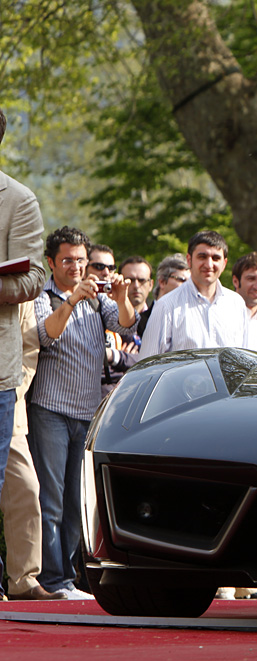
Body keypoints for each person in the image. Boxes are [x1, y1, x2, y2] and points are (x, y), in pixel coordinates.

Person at [29, 225, 137, 599]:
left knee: (77, 500)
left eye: (80, 260)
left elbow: (125, 323)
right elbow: (47, 334)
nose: (75, 267)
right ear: (51, 263)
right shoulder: (44, 295)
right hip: (50, 410)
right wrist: (72, 298)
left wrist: (122, 296)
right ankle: (53, 579)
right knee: (52, 498)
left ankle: (71, 579)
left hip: (87, 413)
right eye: (67, 260)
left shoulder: (96, 298)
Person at [0, 106, 47, 599]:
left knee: (20, 485)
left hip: (2, 374)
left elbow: (33, 278)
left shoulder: (19, 200)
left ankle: (24, 579)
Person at [1, 303, 64, 599]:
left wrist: (12, 392)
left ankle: (24, 581)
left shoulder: (20, 291)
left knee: (26, 488)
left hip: (10, 404)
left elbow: (29, 348)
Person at [139, 231, 249, 358]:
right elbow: (148, 363)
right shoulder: (167, 306)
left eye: (215, 258)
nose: (209, 264)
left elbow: (243, 359)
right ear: (189, 260)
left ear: (224, 264)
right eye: (202, 257)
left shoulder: (236, 304)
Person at [89, 245, 131, 394]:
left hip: (119, 394)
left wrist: (114, 355)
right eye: (99, 266)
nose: (106, 273)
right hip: (89, 393)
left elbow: (139, 358)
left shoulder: (119, 304)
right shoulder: (76, 302)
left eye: (111, 267)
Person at [140, 253, 188, 339]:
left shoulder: (189, 321)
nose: (187, 286)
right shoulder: (139, 322)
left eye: (190, 282)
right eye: (181, 280)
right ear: (162, 281)